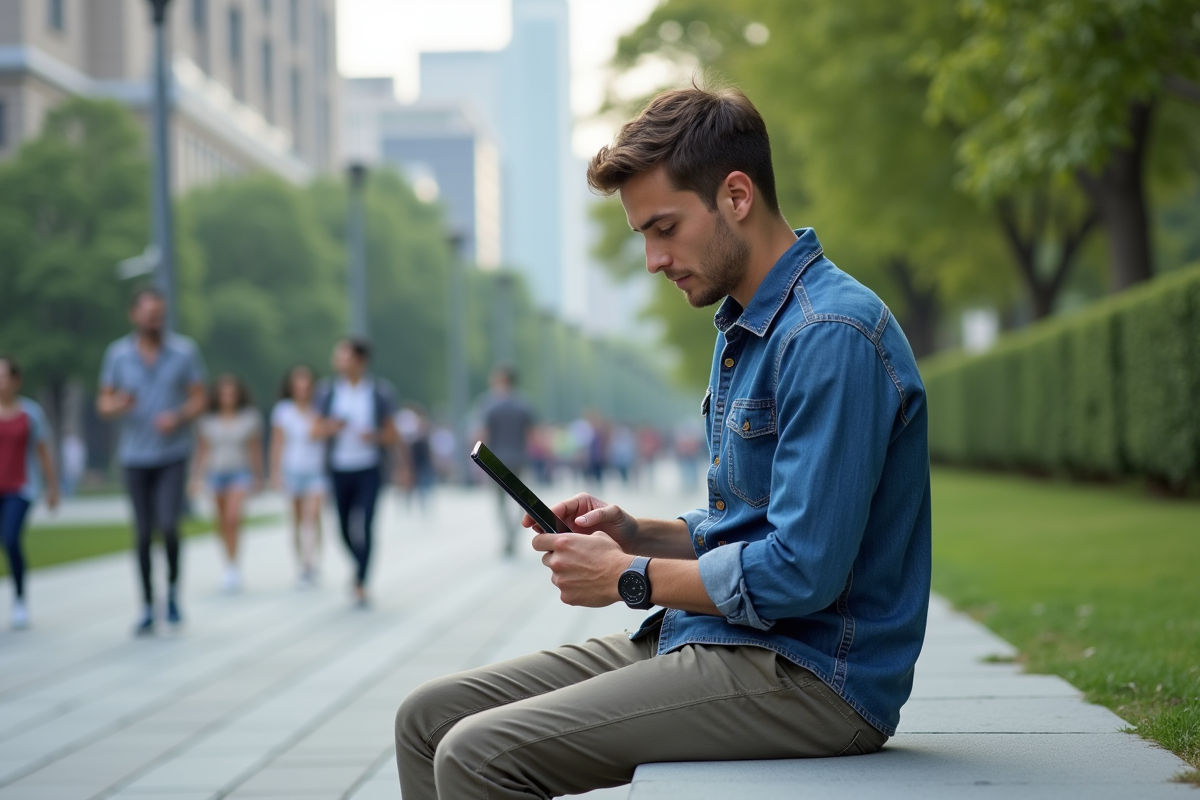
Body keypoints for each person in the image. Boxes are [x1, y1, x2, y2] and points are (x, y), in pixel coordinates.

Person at [395, 85, 931, 799]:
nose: (653, 259)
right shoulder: (747, 324)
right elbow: (751, 523)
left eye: (664, 228)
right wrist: (632, 530)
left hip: (812, 677)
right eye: (643, 235)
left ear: (736, 196)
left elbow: (803, 570)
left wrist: (630, 576)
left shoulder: (831, 336)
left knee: (478, 756)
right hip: (727, 640)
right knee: (425, 718)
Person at [98, 287, 207, 637]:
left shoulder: (184, 351)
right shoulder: (117, 355)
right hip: (134, 456)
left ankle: (173, 592)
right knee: (144, 532)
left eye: (159, 315)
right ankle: (147, 605)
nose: (154, 321)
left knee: (170, 526)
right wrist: (120, 405)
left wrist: (179, 416)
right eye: (148, 315)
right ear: (134, 316)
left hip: (172, 454)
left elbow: (200, 398)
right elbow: (104, 404)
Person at [313, 338, 397, 607]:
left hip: (369, 468)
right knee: (343, 528)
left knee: (366, 524)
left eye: (345, 357)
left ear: (360, 361)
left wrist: (374, 436)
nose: (339, 362)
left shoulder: (378, 392)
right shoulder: (328, 392)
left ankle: (361, 580)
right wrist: (331, 426)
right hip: (339, 468)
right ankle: (359, 565)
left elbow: (392, 435)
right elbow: (315, 430)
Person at [0, 357, 59, 630]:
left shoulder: (30, 414)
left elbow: (43, 451)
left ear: (15, 380)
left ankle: (20, 599)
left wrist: (53, 487)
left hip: (20, 487)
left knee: (10, 538)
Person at [193, 374, 263, 593]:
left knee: (233, 518)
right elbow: (202, 451)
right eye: (223, 392)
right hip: (216, 473)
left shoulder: (249, 418)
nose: (227, 397)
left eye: (231, 392)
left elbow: (254, 450)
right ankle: (228, 564)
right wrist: (195, 477)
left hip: (239, 472)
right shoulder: (208, 420)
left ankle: (234, 566)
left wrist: (259, 476)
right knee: (222, 522)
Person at [270, 365, 327, 587]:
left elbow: (320, 434)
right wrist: (275, 472)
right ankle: (300, 564)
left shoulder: (319, 409)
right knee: (296, 519)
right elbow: (277, 443)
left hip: (315, 469)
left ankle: (310, 562)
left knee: (312, 516)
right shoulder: (283, 411)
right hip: (292, 468)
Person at [474, 366, 535, 558]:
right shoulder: (524, 404)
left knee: (499, 502)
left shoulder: (489, 404)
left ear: (500, 380)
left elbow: (482, 434)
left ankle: (508, 535)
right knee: (522, 501)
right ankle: (514, 534)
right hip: (519, 458)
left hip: (496, 460)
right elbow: (532, 436)